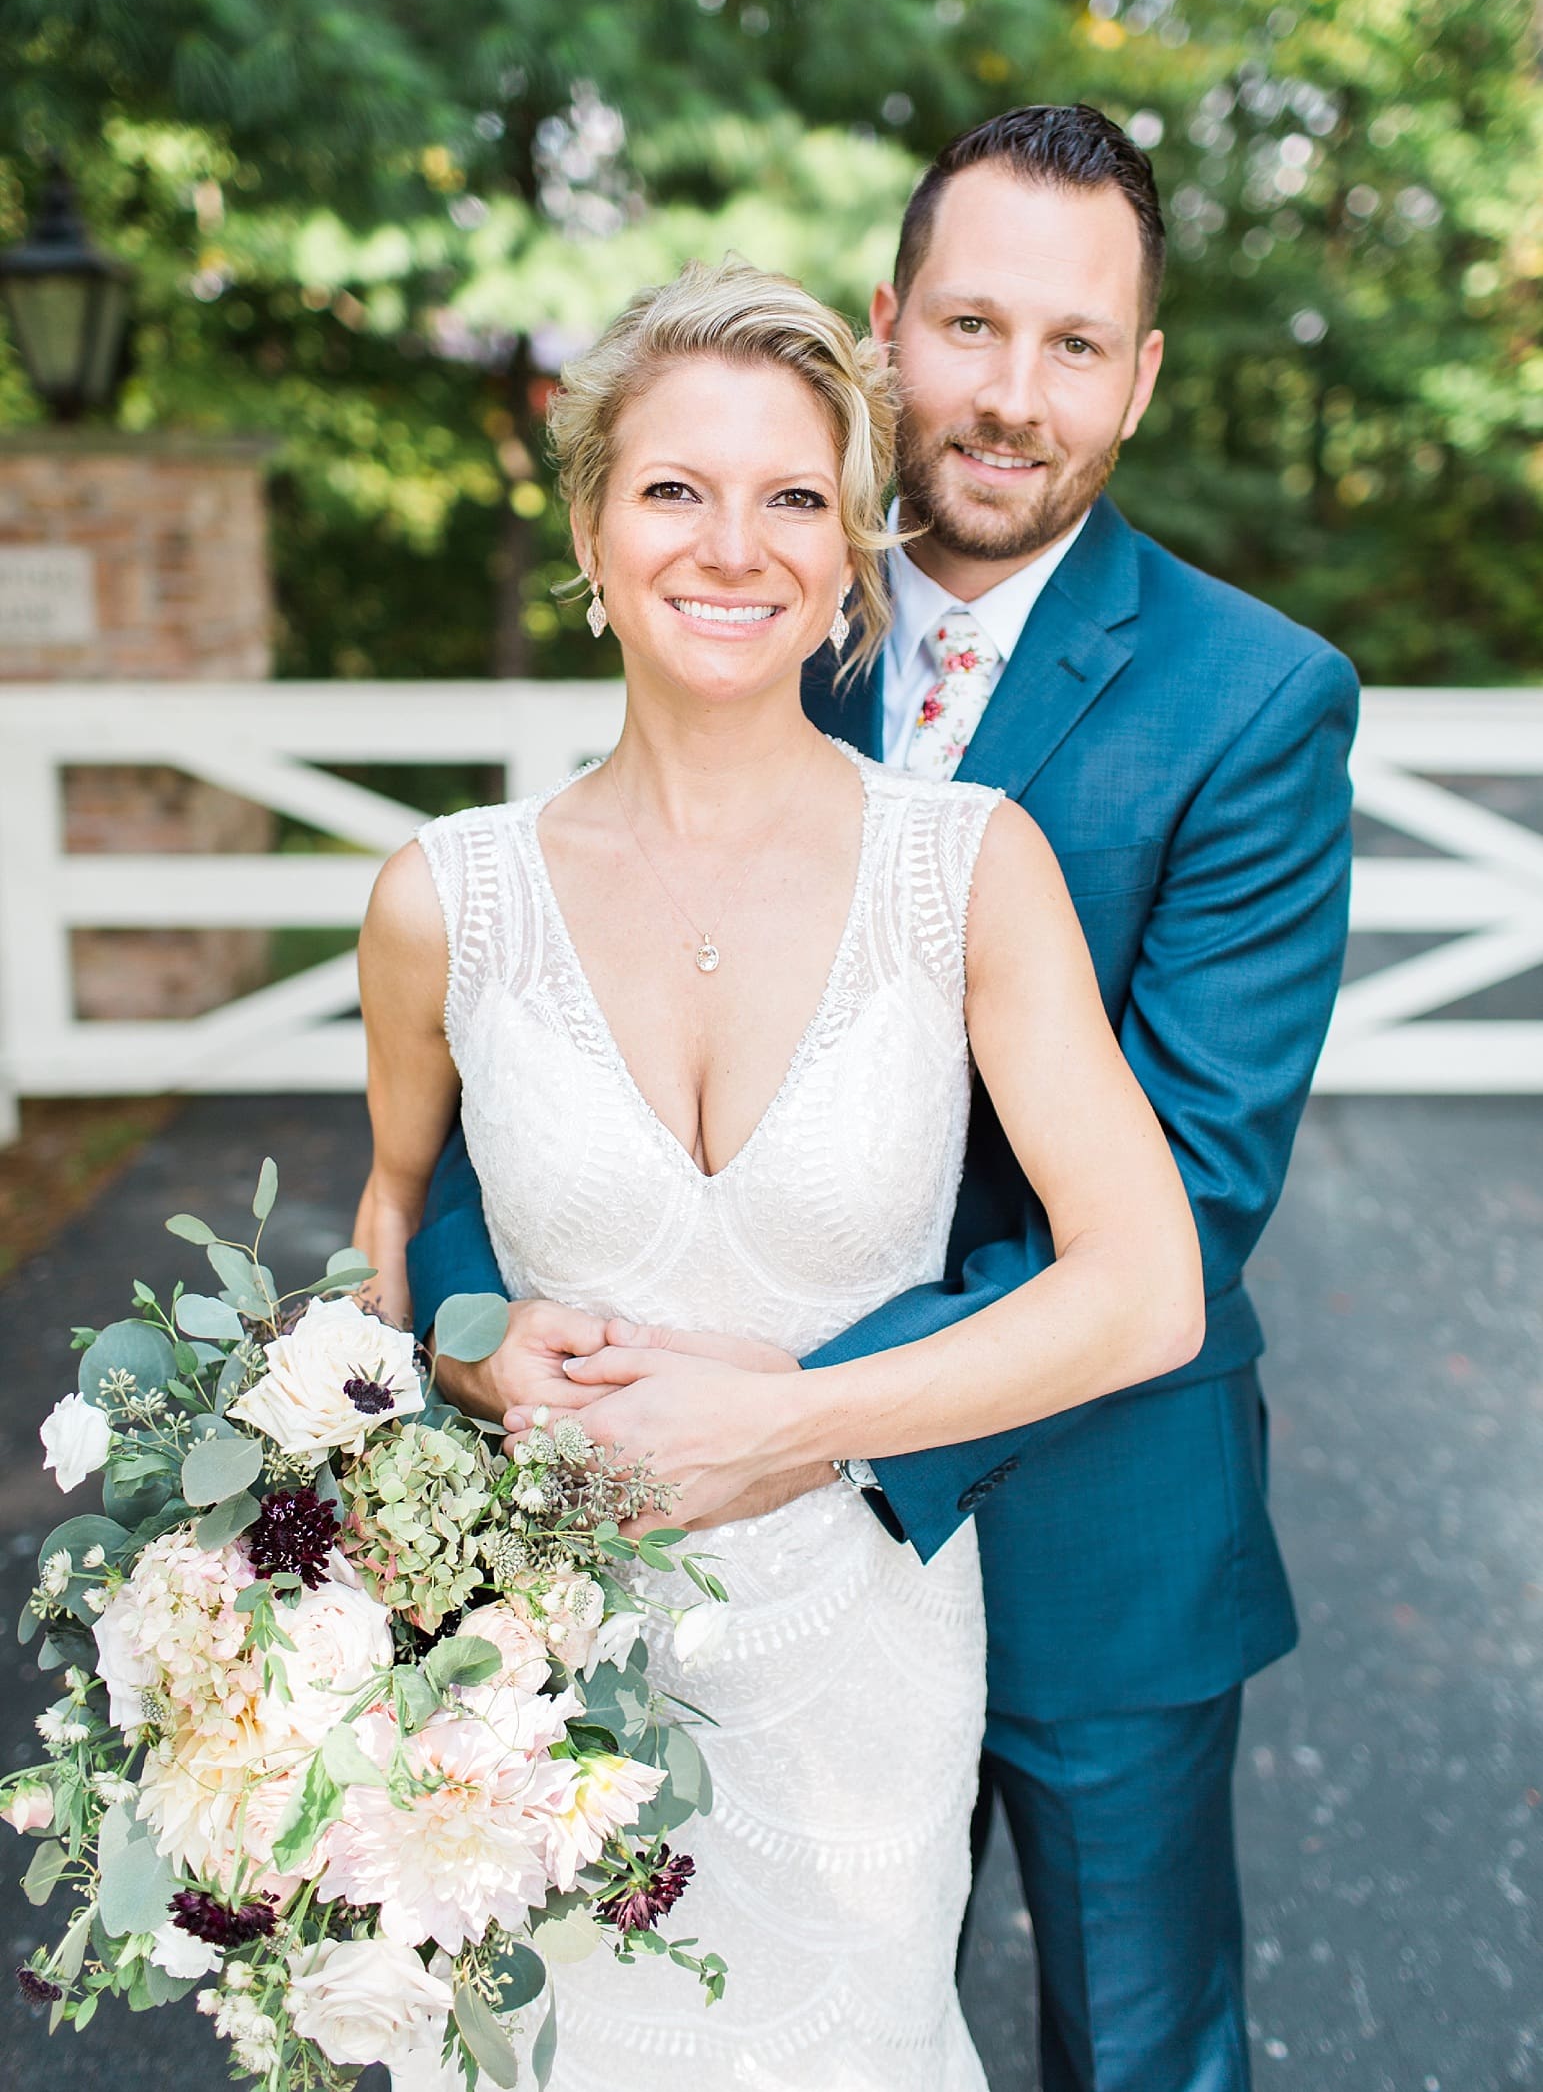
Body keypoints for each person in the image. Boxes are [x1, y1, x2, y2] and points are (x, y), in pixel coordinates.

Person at [407, 106, 1360, 2092]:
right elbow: (507, 1073)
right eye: (972, 328)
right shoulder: (750, 601)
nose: (1014, 399)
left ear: (1141, 374)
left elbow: (1178, 1192)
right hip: (691, 1563)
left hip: (1093, 1519)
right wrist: (483, 1324)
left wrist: (777, 1408)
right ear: (887, 326)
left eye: (1075, 345)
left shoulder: (1252, 701)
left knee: (1134, 2054)